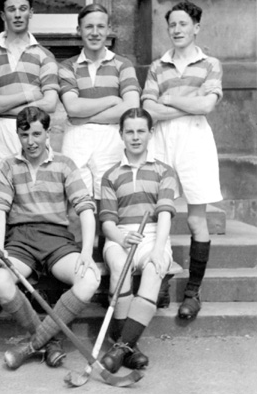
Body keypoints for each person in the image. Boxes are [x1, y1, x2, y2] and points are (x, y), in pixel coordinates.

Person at [0, 107, 100, 369]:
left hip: (57, 240)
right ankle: (50, 342)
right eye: (25, 134)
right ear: (17, 134)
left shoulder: (64, 164)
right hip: (21, 240)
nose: (31, 141)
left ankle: (33, 345)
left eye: (37, 134)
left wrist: (86, 252)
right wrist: (1, 249)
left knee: (89, 279)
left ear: (48, 133)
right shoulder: (8, 165)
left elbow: (85, 208)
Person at [141, 0, 223, 319]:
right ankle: (157, 282)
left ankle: (192, 292)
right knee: (158, 213)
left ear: (196, 28)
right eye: (172, 25)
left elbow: (206, 107)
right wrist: (190, 102)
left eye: (183, 24)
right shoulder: (158, 66)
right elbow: (149, 109)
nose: (177, 30)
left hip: (196, 139)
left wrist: (172, 99)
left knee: (194, 219)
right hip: (161, 139)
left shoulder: (210, 63)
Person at [99, 108, 178, 373]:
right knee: (120, 266)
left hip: (153, 234)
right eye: (129, 131)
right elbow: (108, 223)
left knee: (155, 268)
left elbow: (165, 215)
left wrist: (157, 250)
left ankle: (120, 346)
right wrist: (121, 238)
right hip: (120, 236)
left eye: (141, 131)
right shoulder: (110, 175)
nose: (135, 137)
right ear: (121, 134)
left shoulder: (164, 171)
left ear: (150, 133)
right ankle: (128, 346)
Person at [0, 0, 58, 196]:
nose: (17, 14)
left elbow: (50, 103)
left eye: (23, 9)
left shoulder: (44, 56)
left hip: (32, 132)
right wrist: (30, 94)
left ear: (31, 12)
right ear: (3, 14)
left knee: (33, 196)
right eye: (11, 9)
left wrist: (2, 105)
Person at [59, 3, 140, 200]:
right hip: (77, 140)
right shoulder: (67, 66)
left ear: (109, 29)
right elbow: (72, 106)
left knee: (109, 204)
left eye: (100, 27)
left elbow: (131, 106)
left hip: (111, 139)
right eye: (89, 27)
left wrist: (85, 118)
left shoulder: (123, 65)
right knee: (78, 204)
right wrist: (112, 99)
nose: (95, 33)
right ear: (79, 30)